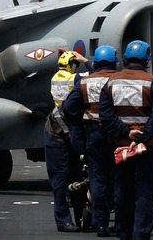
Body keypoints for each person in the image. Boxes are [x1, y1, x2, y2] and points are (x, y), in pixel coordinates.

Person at [99, 40, 153, 240]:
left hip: (122, 147)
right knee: (145, 192)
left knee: (123, 191)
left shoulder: (111, 83)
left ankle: (124, 232)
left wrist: (126, 133)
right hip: (148, 147)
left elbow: (106, 115)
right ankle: (141, 233)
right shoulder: (152, 82)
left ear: (125, 59)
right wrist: (143, 136)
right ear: (147, 60)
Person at [63, 45, 118, 237]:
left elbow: (68, 107)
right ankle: (120, 223)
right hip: (117, 133)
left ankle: (100, 224)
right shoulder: (120, 80)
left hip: (93, 133)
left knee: (97, 178)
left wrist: (82, 120)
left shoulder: (85, 81)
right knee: (119, 177)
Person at [44, 50, 88, 233]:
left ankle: (76, 219)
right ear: (74, 65)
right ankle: (65, 221)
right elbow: (96, 75)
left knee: (63, 180)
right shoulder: (76, 79)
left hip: (57, 125)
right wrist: (87, 60)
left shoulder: (55, 77)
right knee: (68, 177)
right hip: (63, 128)